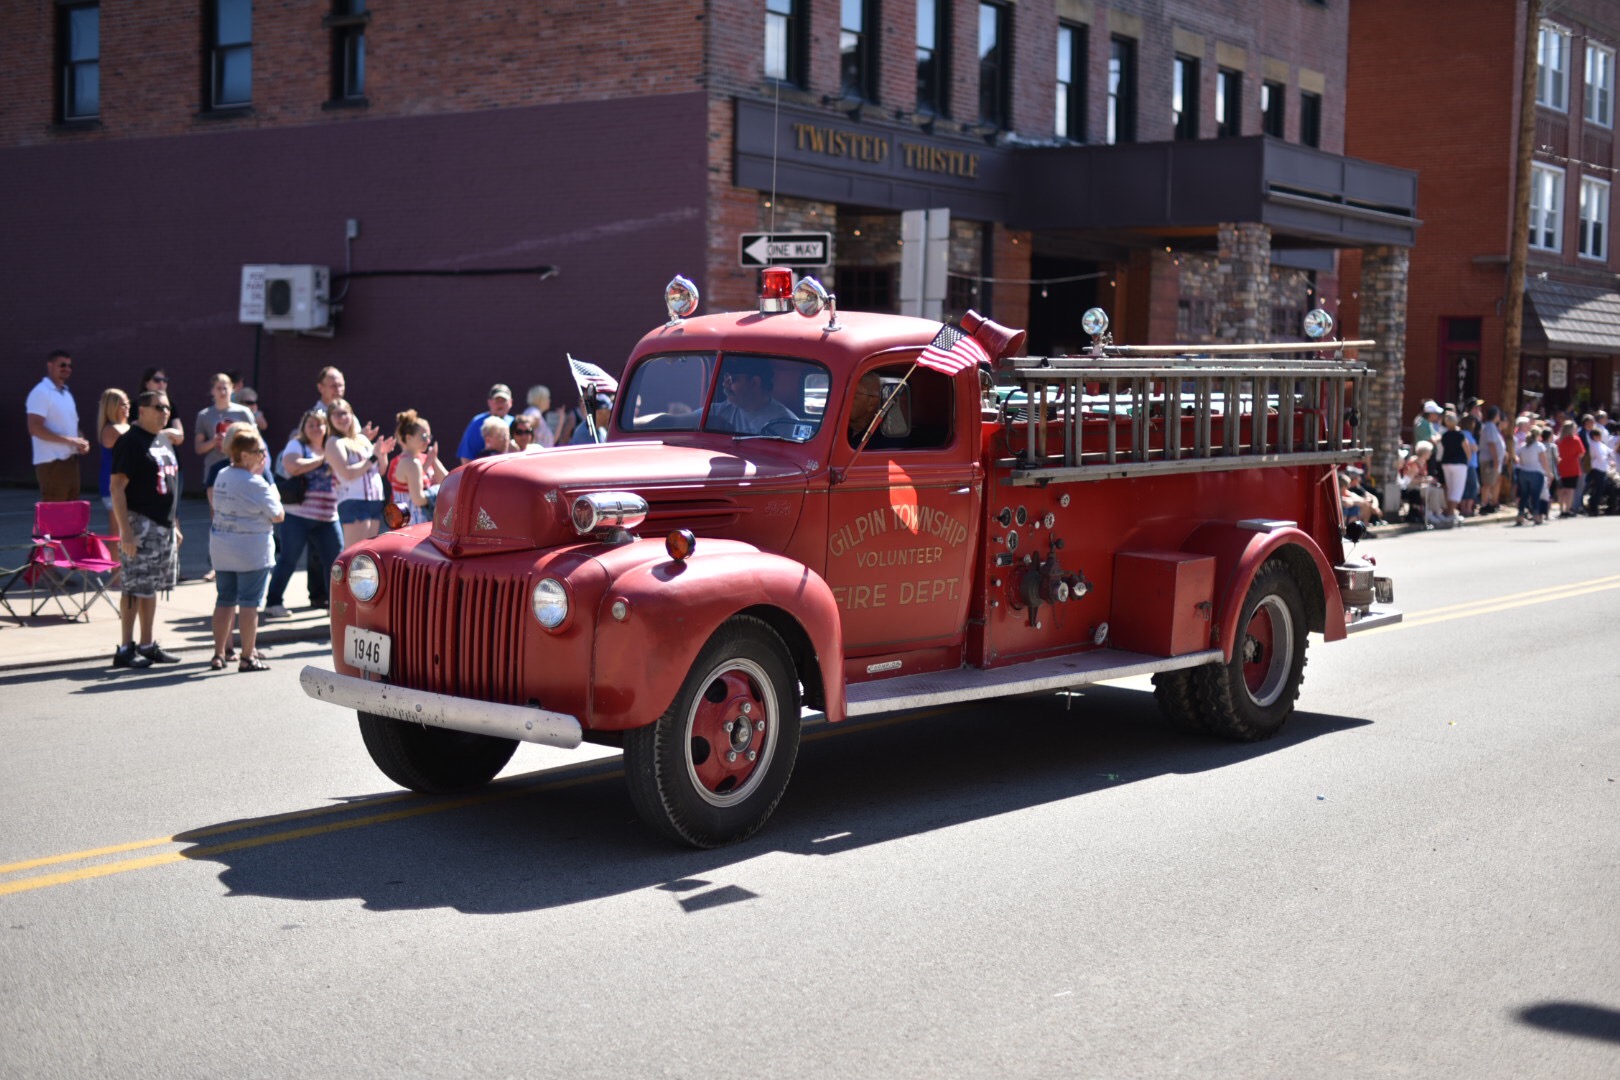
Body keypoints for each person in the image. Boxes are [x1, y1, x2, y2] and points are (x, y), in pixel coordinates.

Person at [109, 390, 183, 668]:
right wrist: (125, 531)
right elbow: (116, 487)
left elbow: (170, 486)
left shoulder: (163, 439)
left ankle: (147, 644)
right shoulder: (130, 441)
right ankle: (126, 648)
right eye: (159, 407)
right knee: (133, 585)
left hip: (163, 526)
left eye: (168, 407)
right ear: (142, 409)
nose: (165, 412)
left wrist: (174, 524)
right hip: (139, 524)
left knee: (150, 588)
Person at [209, 429, 282, 672]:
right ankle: (247, 657)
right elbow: (278, 514)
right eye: (258, 452)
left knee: (224, 600)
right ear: (243, 455)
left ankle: (219, 653)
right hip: (251, 549)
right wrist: (268, 485)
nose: (263, 456)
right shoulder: (256, 483)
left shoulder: (222, 474)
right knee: (249, 604)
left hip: (222, 546)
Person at [264, 409, 342, 618]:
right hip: (298, 516)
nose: (316, 428)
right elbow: (293, 466)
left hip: (328, 517)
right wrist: (322, 460)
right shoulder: (297, 445)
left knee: (336, 561)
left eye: (320, 424)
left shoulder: (332, 446)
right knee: (288, 559)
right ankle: (273, 602)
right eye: (311, 425)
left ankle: (335, 605)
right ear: (304, 428)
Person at [195, 373, 256, 582]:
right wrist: (215, 442)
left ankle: (241, 561)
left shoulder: (243, 412)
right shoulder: (205, 415)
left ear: (233, 389)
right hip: (215, 469)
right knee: (217, 518)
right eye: (218, 388)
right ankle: (216, 565)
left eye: (226, 387)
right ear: (212, 391)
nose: (222, 391)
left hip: (241, 468)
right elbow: (198, 447)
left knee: (243, 514)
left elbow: (256, 441)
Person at [324, 398, 395, 549]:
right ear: (329, 419)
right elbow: (347, 473)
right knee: (354, 554)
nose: (342, 418)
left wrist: (382, 454)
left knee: (368, 555)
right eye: (336, 415)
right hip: (354, 501)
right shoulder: (333, 442)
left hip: (375, 500)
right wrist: (374, 457)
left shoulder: (362, 439)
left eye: (344, 413)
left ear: (351, 415)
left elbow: (381, 471)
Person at [27, 350, 90, 501]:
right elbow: (35, 428)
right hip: (52, 463)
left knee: (71, 513)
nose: (67, 369)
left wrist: (81, 440)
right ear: (50, 365)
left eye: (69, 366)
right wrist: (70, 441)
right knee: (55, 514)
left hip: (70, 461)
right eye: (62, 365)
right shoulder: (41, 392)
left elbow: (71, 427)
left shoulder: (66, 394)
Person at [707, 358, 796, 435]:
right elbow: (694, 420)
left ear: (755, 382)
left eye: (732, 380)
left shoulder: (784, 424)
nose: (725, 385)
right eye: (726, 379)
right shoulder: (720, 410)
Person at [389, 410, 447, 527]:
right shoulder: (410, 463)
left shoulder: (423, 458)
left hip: (420, 522)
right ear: (409, 438)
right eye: (424, 437)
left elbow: (447, 481)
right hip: (413, 524)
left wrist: (433, 459)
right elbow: (418, 499)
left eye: (429, 436)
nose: (428, 441)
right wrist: (437, 492)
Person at [97, 388, 131, 532]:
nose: (127, 407)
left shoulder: (128, 427)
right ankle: (113, 556)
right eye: (123, 404)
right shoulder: (111, 429)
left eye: (128, 403)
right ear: (113, 407)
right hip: (114, 486)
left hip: (128, 485)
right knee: (117, 532)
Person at [458, 384, 516, 465]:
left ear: (511, 402)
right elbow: (466, 457)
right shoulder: (477, 423)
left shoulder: (515, 423)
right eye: (497, 401)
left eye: (503, 400)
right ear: (489, 402)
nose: (500, 405)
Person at [138, 368, 186, 449]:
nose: (161, 383)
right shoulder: (136, 405)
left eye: (165, 380)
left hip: (166, 453)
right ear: (146, 383)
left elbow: (179, 436)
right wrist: (167, 435)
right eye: (157, 380)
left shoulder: (172, 405)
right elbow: (136, 432)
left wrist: (158, 435)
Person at [1514, 425, 1550, 526]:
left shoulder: (1523, 447)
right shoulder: (1539, 446)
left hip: (1524, 472)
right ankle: (1536, 516)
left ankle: (1520, 516)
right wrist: (1548, 473)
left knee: (1524, 495)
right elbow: (1544, 461)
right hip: (1536, 472)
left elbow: (1520, 461)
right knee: (1535, 495)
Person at [1436, 410, 1468, 521]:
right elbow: (1467, 449)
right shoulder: (1460, 435)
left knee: (1450, 488)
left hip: (1446, 463)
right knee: (1457, 489)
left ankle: (1449, 511)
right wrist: (1466, 461)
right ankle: (1451, 512)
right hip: (1459, 464)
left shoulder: (1444, 435)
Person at [1478, 405, 1507, 514]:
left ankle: (1490, 503)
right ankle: (1484, 505)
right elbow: (1491, 444)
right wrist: (1495, 459)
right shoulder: (1489, 427)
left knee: (1491, 483)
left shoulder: (1492, 427)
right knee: (1487, 483)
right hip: (1489, 461)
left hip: (1493, 461)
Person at [1554, 419, 1584, 518]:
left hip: (1560, 467)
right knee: (1570, 490)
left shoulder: (1558, 441)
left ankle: (1561, 509)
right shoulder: (1576, 440)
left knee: (1561, 490)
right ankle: (1567, 509)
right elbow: (1581, 453)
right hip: (1572, 467)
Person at [847, 372, 884, 447]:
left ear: (872, 404)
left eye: (853, 396)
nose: (845, 401)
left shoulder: (883, 439)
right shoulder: (835, 429)